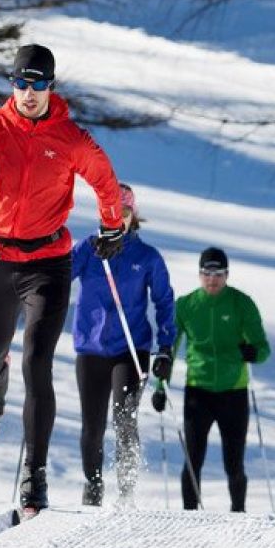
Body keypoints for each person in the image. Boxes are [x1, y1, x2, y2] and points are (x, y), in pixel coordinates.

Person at [0, 43, 127, 517]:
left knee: (37, 363)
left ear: (51, 87)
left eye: (38, 84)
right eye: (21, 83)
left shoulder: (69, 136)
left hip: (48, 263)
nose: (29, 93)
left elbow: (104, 179)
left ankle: (35, 473)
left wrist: (112, 225)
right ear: (12, 85)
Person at [69, 185, 177, 507]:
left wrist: (166, 347)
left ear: (133, 215)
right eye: (111, 211)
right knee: (92, 425)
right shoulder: (87, 249)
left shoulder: (147, 257)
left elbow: (164, 301)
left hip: (131, 350)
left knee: (124, 416)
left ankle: (126, 490)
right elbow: (58, 279)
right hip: (91, 349)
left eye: (124, 212)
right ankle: (93, 487)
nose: (117, 217)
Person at [163, 246, 271, 512]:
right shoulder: (186, 305)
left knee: (233, 463)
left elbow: (263, 348)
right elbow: (169, 348)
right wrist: (159, 386)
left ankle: (238, 512)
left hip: (233, 391)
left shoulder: (241, 303)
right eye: (207, 274)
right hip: (198, 391)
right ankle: (190, 516)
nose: (212, 280)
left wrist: (253, 352)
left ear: (227, 275)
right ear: (200, 274)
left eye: (218, 274)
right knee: (192, 461)